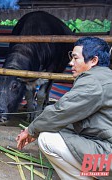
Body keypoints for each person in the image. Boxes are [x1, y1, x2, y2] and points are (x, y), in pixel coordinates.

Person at [16, 37, 112, 180]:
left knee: (47, 139)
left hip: (107, 162)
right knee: (58, 128)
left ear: (93, 61)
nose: (70, 63)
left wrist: (31, 130)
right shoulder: (105, 77)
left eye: (75, 58)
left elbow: (60, 111)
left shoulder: (93, 83)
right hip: (106, 151)